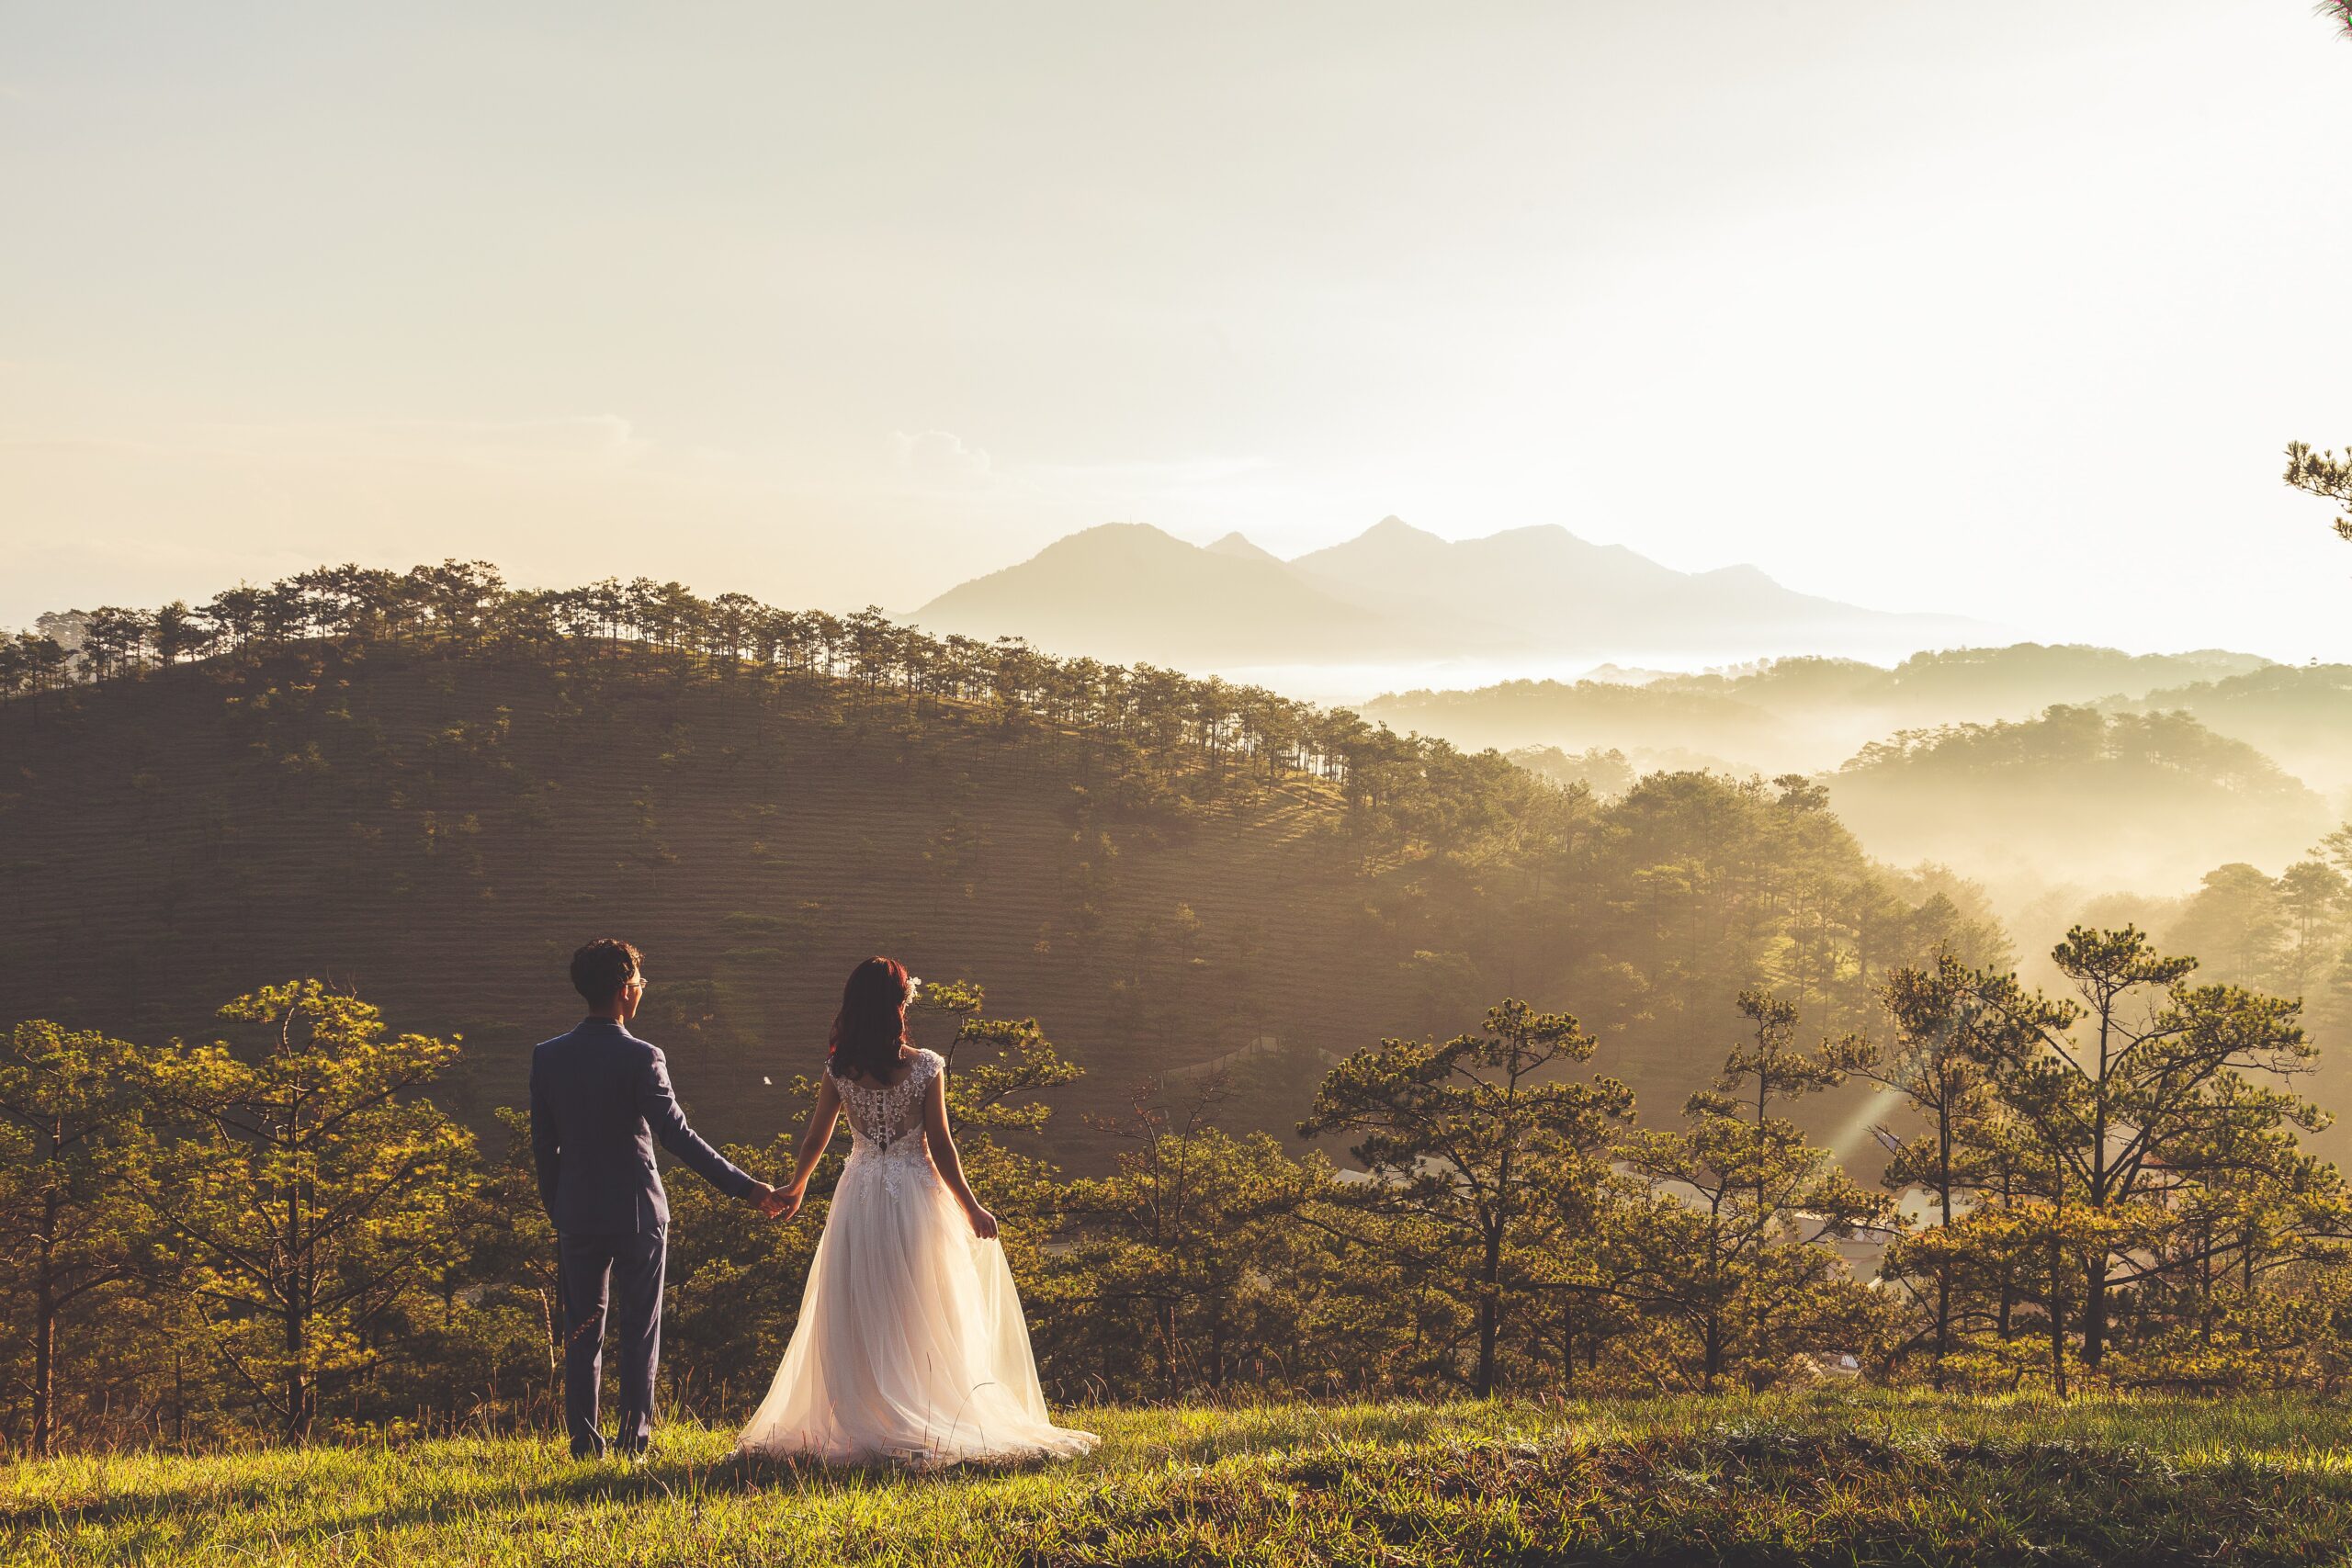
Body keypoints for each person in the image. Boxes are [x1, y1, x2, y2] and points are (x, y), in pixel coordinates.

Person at [735, 956, 1098, 1466]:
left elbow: (816, 1136)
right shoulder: (926, 1065)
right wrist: (970, 1207)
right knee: (922, 1301)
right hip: (915, 1195)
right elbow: (941, 1145)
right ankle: (924, 1404)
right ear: (898, 1007)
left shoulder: (839, 1070)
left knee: (863, 1302)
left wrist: (796, 1187)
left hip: (858, 1194)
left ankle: (872, 1409)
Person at [530, 938, 785, 1460]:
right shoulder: (643, 1056)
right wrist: (748, 1187)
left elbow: (543, 1143)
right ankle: (633, 1443)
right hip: (638, 1213)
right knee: (639, 1331)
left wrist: (558, 1206)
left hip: (576, 1213)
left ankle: (583, 1443)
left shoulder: (548, 1056)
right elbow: (677, 1137)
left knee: (582, 1332)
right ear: (627, 991)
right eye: (641, 984)